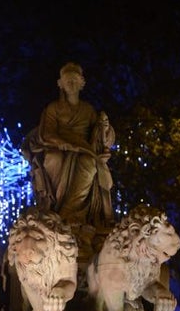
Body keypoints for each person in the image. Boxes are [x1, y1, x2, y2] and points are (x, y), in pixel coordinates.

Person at [22, 62, 116, 228]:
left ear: (82, 83)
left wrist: (106, 129)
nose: (71, 84)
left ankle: (70, 213)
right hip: (59, 148)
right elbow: (47, 133)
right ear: (61, 84)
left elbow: (100, 136)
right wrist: (63, 144)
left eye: (74, 81)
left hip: (83, 150)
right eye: (67, 81)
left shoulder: (88, 110)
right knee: (54, 159)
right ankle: (54, 208)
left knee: (89, 163)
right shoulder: (53, 108)